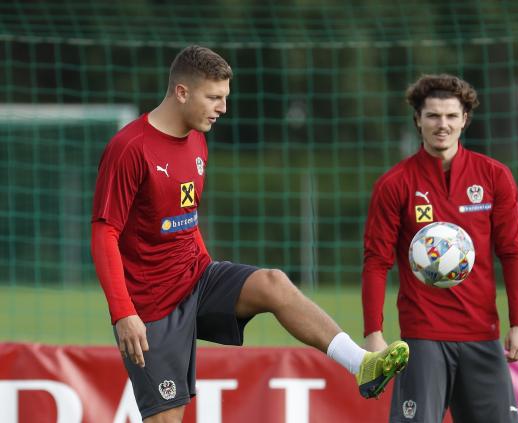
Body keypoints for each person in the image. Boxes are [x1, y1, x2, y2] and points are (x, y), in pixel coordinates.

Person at [90, 45, 409, 422]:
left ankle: (361, 365)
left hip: (197, 279)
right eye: (214, 97)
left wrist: (206, 266)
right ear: (181, 92)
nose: (222, 108)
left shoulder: (197, 139)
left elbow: (186, 218)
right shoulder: (129, 148)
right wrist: (124, 312)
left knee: (273, 283)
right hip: (150, 310)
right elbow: (104, 232)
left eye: (225, 97)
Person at [361, 74, 518, 423]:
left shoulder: (494, 177)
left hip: (482, 333)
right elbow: (376, 262)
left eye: (451, 116)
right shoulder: (394, 184)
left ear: (464, 119)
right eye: (433, 116)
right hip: (422, 336)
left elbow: (513, 253)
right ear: (418, 119)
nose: (443, 125)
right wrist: (373, 333)